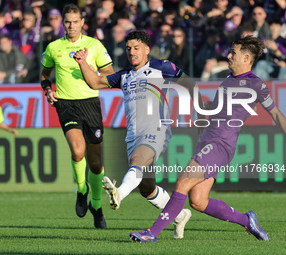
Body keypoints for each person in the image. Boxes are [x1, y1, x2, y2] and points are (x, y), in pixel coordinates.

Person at [129, 35, 286, 242]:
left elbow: (275, 113)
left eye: (234, 53)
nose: (228, 56)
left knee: (183, 181)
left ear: (246, 58)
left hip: (221, 144)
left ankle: (151, 233)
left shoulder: (256, 85)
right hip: (208, 141)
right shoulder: (229, 78)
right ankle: (248, 221)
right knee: (198, 201)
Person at [73, 30, 205, 239]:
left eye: (136, 48)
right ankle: (180, 215)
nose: (131, 52)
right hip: (133, 135)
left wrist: (202, 112)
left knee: (138, 161)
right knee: (146, 188)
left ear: (146, 49)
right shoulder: (124, 75)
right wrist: (82, 63)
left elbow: (191, 84)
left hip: (156, 129)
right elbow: (95, 82)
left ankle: (119, 193)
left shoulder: (162, 67)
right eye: (128, 49)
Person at [40, 4, 114, 229]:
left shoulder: (94, 45)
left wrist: (88, 70)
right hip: (66, 105)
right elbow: (44, 74)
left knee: (96, 163)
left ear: (82, 22)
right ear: (63, 23)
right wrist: (48, 91)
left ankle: (97, 206)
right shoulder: (54, 47)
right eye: (67, 21)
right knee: (77, 150)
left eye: (75, 21)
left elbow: (110, 74)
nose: (71, 25)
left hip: (91, 104)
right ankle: (82, 190)